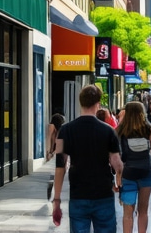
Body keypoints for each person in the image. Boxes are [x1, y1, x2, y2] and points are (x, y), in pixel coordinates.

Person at [51, 84, 123, 233]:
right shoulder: (109, 131)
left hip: (78, 195)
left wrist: (56, 200)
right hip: (103, 194)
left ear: (80, 102)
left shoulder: (65, 130)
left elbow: (60, 166)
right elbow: (117, 164)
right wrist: (119, 183)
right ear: (98, 104)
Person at [115, 101, 151, 233]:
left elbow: (115, 153)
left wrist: (117, 175)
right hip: (146, 172)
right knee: (143, 211)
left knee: (128, 213)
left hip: (127, 174)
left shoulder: (120, 130)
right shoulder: (148, 128)